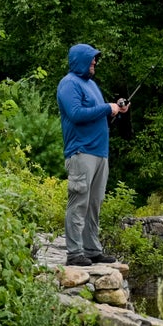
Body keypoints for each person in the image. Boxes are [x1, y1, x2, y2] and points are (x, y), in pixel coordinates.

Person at [56, 43, 128, 266]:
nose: (95, 62)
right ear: (79, 60)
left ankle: (92, 249)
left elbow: (98, 115)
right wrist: (108, 108)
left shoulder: (92, 86)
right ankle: (74, 253)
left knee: (94, 203)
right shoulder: (69, 84)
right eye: (91, 59)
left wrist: (117, 109)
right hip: (81, 152)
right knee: (79, 202)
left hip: (100, 152)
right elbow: (76, 114)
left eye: (95, 59)